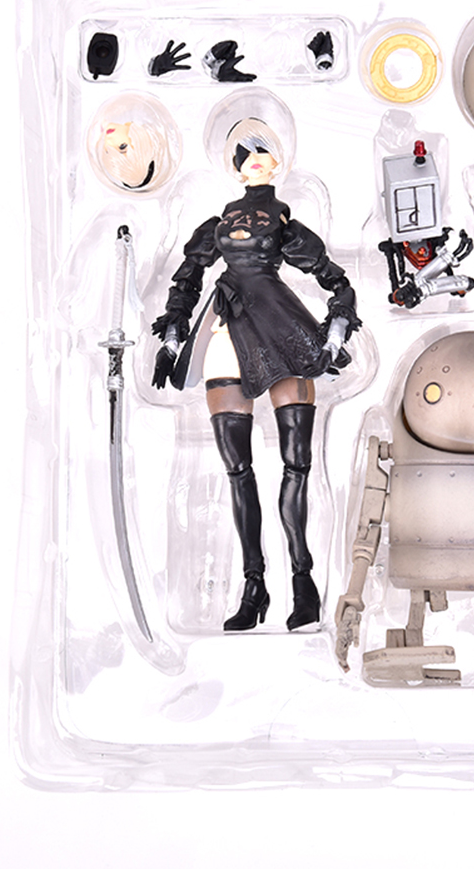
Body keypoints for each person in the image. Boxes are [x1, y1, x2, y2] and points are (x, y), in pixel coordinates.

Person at [151, 110, 358, 632]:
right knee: (237, 469)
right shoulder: (216, 227)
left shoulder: (285, 225)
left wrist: (337, 326)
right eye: (247, 156)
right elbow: (187, 279)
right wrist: (173, 335)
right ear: (236, 168)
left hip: (280, 324)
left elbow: (336, 280)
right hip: (228, 324)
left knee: (297, 463)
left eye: (264, 154)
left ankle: (304, 583)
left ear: (278, 163)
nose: (257, 162)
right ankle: (254, 586)